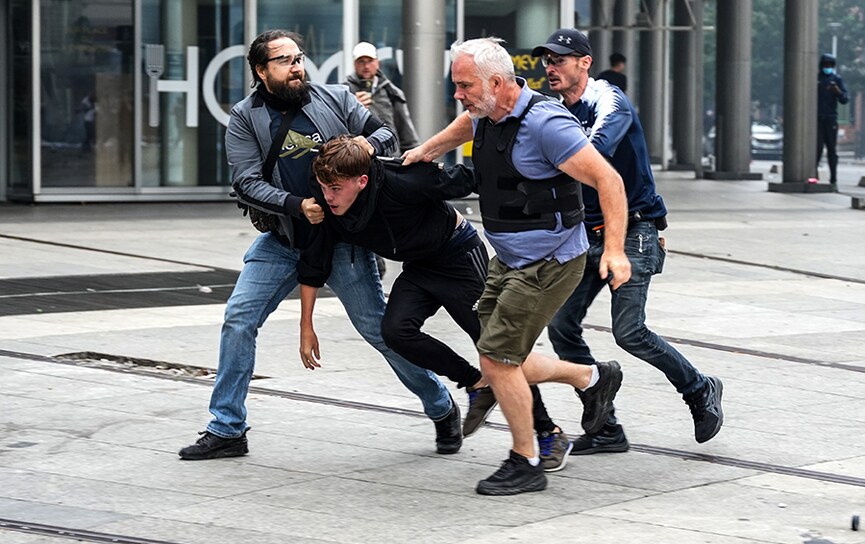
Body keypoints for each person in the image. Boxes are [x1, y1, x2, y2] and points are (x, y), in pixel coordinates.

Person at [179, 29, 459, 460]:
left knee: (377, 330)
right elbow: (245, 182)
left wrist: (364, 143)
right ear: (260, 70)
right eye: (285, 61)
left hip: (345, 241)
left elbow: (386, 136)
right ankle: (227, 428)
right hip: (283, 239)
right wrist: (295, 205)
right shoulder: (244, 117)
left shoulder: (335, 98)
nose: (297, 67)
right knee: (238, 318)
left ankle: (441, 407)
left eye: (299, 58)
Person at [404, 37, 631, 496]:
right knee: (502, 358)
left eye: (465, 85)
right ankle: (591, 377)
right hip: (508, 261)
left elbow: (609, 179)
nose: (459, 94)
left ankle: (526, 460)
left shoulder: (547, 125)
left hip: (551, 261)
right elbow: (463, 125)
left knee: (496, 358)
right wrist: (425, 151)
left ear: (495, 82)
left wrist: (616, 251)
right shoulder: (488, 112)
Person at [298, 136, 600, 472]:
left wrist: (531, 190)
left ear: (362, 180)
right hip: (419, 268)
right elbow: (315, 261)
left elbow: (465, 179)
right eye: (324, 187)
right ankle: (475, 383)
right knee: (395, 331)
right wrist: (306, 325)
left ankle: (549, 432)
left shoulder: (400, 180)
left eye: (336, 189)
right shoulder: (325, 203)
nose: (328, 196)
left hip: (456, 255)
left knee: (500, 351)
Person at [528, 28, 723, 454]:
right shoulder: (556, 110)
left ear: (584, 62)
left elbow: (593, 151)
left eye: (559, 60)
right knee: (562, 325)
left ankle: (699, 388)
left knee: (629, 331)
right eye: (547, 60)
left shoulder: (608, 99)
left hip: (634, 229)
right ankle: (607, 428)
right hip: (587, 235)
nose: (550, 68)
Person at [345, 42, 420, 155]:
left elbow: (407, 134)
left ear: (377, 63)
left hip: (388, 161)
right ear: (355, 64)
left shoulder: (391, 92)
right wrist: (352, 107)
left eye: (370, 61)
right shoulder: (344, 93)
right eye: (361, 62)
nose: (366, 66)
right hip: (356, 161)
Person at [817, 53, 849, 188]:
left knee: (831, 150)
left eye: (830, 65)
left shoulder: (836, 79)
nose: (827, 67)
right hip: (817, 119)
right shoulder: (816, 79)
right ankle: (813, 176)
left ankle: (833, 179)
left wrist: (837, 91)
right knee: (816, 149)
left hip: (830, 119)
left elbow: (844, 99)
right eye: (825, 65)